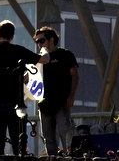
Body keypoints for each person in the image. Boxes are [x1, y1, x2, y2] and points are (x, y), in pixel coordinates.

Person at [0, 20, 51, 155]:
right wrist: (45, 51)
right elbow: (44, 60)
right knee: (19, 147)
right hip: (16, 105)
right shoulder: (18, 50)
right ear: (12, 36)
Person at [33, 26, 79, 155]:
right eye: (37, 41)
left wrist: (72, 96)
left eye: (41, 41)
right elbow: (28, 79)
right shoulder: (39, 59)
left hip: (61, 102)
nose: (39, 44)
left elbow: (74, 75)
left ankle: (68, 157)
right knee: (48, 138)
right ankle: (52, 157)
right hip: (45, 104)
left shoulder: (65, 55)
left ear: (51, 39)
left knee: (65, 133)